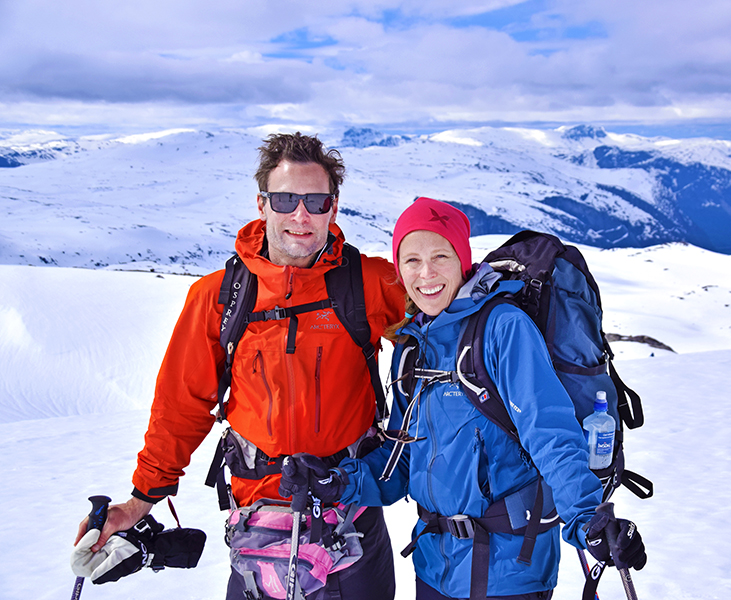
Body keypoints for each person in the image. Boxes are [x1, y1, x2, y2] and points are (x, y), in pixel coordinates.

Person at [72, 132, 405, 599]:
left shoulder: (370, 284)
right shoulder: (220, 296)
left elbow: (446, 317)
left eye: (316, 200)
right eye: (286, 199)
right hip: (257, 521)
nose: (301, 215)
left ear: (333, 206)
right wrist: (142, 500)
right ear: (262, 203)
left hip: (350, 512)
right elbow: (182, 405)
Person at [280, 198, 646, 600]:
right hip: (435, 569)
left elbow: (550, 434)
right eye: (412, 260)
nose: (427, 273)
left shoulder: (502, 328)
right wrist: (339, 481)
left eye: (441, 255)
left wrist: (588, 519)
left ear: (463, 260)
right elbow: (399, 464)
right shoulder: (411, 347)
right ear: (399, 270)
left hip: (510, 572)